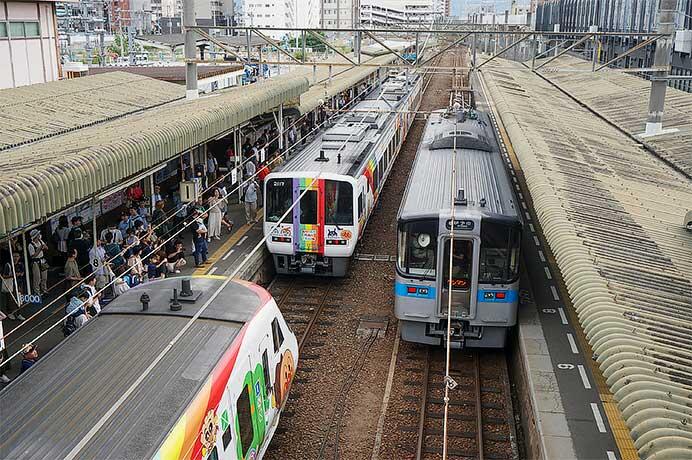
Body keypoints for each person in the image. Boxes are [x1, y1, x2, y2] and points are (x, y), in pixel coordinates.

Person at [1, 253, 25, 321]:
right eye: (14, 256)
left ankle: (19, 313)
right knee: (10, 298)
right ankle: (10, 313)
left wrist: (19, 274)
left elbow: (22, 273)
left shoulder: (20, 264)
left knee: (19, 298)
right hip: (11, 284)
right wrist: (13, 275)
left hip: (19, 283)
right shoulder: (8, 265)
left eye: (17, 256)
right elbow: (4, 276)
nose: (16, 258)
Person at [28, 229, 48, 295]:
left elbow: (46, 248)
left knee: (44, 276)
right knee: (37, 278)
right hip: (35, 262)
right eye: (38, 235)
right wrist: (39, 249)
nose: (39, 236)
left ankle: (44, 290)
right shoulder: (31, 245)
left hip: (42, 260)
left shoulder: (40, 241)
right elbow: (33, 256)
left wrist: (44, 247)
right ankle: (37, 292)